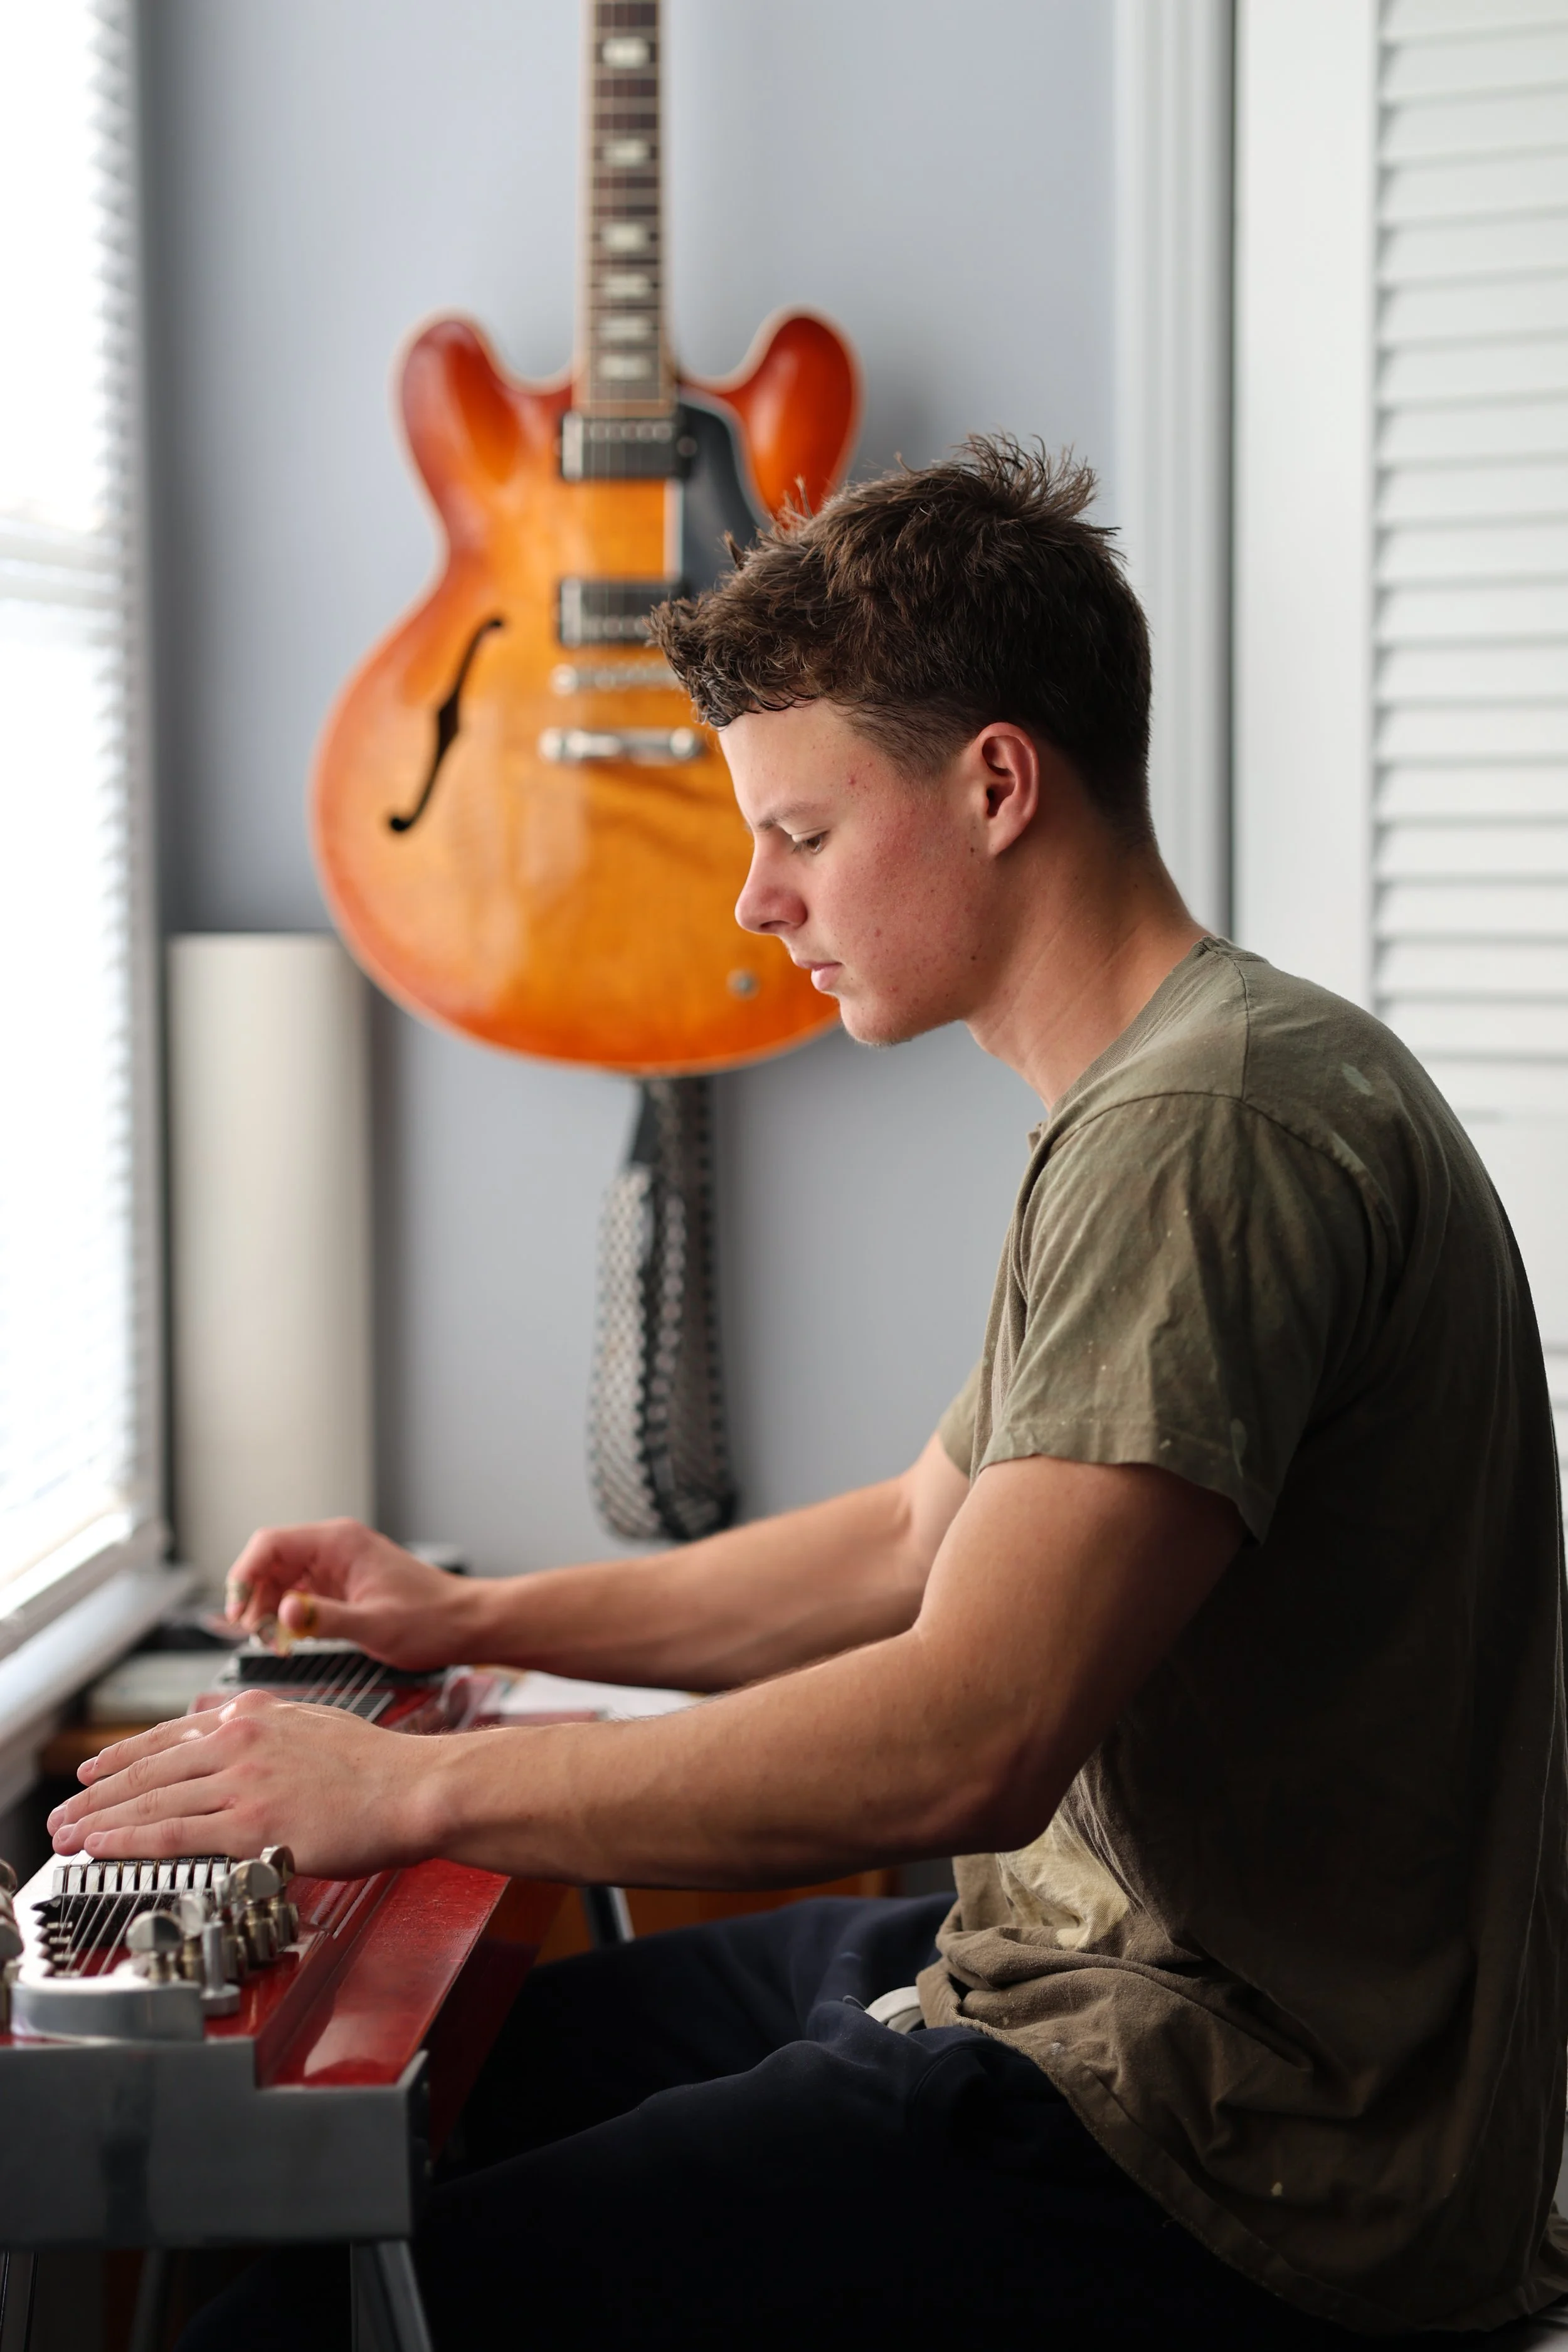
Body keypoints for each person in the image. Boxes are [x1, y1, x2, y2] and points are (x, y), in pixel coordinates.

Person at [51, 442, 1568, 2348]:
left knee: (307, 2324)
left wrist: (415, 1785)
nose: (755, 902)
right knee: (515, 2056)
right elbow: (915, 1537)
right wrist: (470, 1617)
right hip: (1084, 1986)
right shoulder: (1174, 1083)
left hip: (1242, 2141)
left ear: (997, 783)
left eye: (802, 831)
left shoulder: (1202, 1132)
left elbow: (967, 1738)